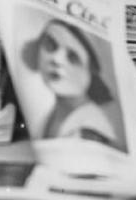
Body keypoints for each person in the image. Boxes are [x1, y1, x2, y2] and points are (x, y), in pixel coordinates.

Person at [20, 19, 122, 149]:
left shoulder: (90, 130)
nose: (56, 59)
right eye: (51, 45)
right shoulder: (49, 117)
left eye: (73, 57)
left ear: (90, 74)